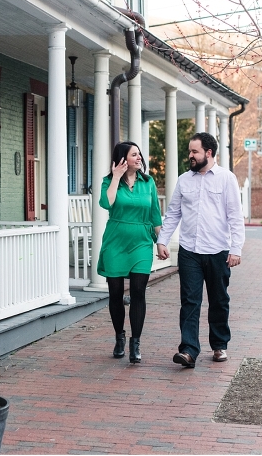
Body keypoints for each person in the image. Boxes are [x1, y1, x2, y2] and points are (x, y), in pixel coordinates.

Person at [156, 132, 245, 369]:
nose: (190, 156)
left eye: (194, 151)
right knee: (190, 301)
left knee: (218, 300)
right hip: (189, 251)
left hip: (218, 251)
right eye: (189, 151)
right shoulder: (184, 179)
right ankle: (188, 350)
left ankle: (219, 345)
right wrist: (162, 240)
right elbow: (173, 212)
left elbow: (235, 216)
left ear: (208, 152)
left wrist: (236, 249)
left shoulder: (226, 179)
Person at [97, 141, 163, 363]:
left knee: (138, 291)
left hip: (142, 242)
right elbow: (107, 203)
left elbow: (155, 214)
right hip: (116, 242)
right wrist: (116, 177)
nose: (139, 158)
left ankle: (136, 343)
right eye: (134, 154)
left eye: (139, 154)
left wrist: (161, 242)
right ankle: (119, 337)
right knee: (115, 293)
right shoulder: (109, 181)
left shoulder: (148, 182)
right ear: (123, 159)